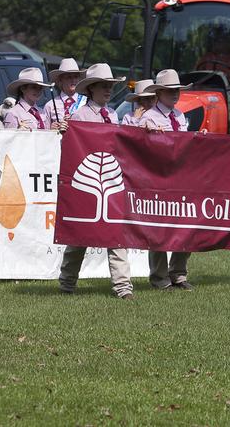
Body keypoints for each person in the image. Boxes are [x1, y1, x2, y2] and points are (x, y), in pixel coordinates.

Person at [58, 63, 134, 299]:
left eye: (110, 86)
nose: (108, 90)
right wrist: (67, 133)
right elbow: (71, 149)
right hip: (87, 181)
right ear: (91, 89)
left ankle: (123, 286)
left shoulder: (112, 115)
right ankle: (67, 282)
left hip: (112, 180)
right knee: (80, 235)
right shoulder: (80, 116)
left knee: (116, 232)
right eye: (104, 86)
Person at [139, 69, 194, 291]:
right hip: (158, 176)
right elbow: (138, 146)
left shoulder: (180, 116)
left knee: (186, 222)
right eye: (170, 90)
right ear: (159, 93)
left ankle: (178, 273)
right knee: (160, 226)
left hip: (181, 175)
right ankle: (160, 277)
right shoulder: (148, 117)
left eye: (177, 90)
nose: (175, 94)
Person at [44, 58, 86, 129]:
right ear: (60, 80)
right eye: (69, 77)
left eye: (75, 77)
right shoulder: (50, 105)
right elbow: (43, 133)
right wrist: (51, 129)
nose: (73, 80)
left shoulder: (86, 102)